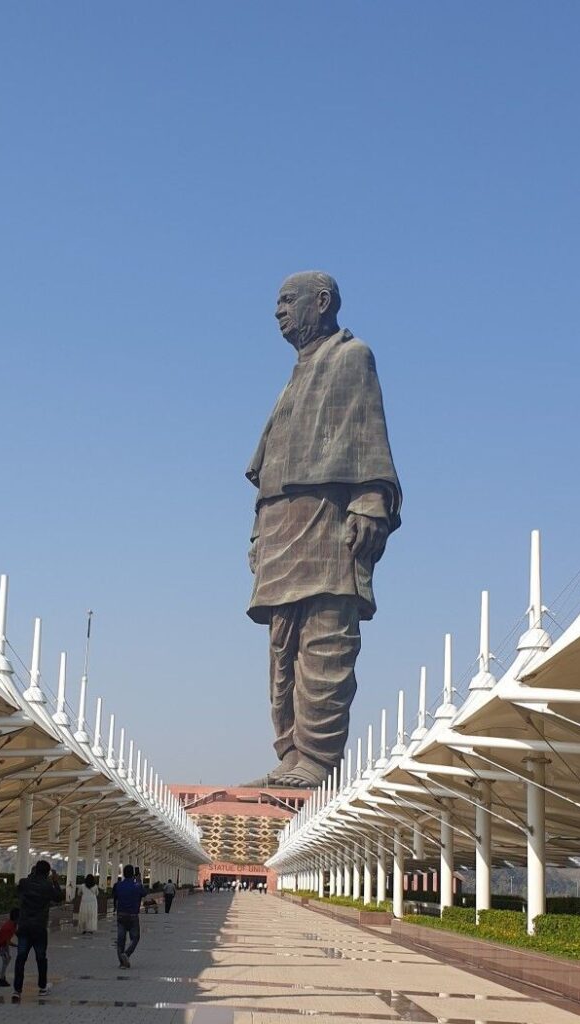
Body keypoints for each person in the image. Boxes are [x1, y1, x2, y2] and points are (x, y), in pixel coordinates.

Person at [246, 271, 401, 787]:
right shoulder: (295, 374)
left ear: (322, 301)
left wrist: (371, 500)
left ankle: (316, 759)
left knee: (326, 639)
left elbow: (367, 433)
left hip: (327, 520)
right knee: (282, 647)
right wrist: (257, 534)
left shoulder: (350, 357)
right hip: (280, 523)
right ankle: (290, 753)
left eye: (287, 300)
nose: (278, 310)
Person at [12, 860, 64, 1002]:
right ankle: (42, 987)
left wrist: (32, 875)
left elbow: (19, 890)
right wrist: (55, 881)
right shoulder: (47, 886)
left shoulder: (24, 883)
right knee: (41, 958)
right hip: (39, 928)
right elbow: (59, 898)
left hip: (24, 927)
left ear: (34, 871)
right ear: (47, 873)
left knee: (20, 958)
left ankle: (17, 990)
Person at [112, 863, 146, 968]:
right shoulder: (137, 886)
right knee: (135, 938)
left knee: (121, 939)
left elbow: (114, 896)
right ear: (133, 875)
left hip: (121, 915)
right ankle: (126, 954)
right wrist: (139, 881)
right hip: (133, 916)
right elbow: (144, 893)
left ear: (123, 874)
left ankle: (122, 962)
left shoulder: (118, 885)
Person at [0, 907, 19, 987]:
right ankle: (1, 979)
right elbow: (7, 942)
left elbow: (16, 932)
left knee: (7, 958)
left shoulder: (13, 924)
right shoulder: (9, 927)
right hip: (1, 945)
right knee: (5, 960)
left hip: (4, 944)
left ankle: (1, 974)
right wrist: (17, 945)